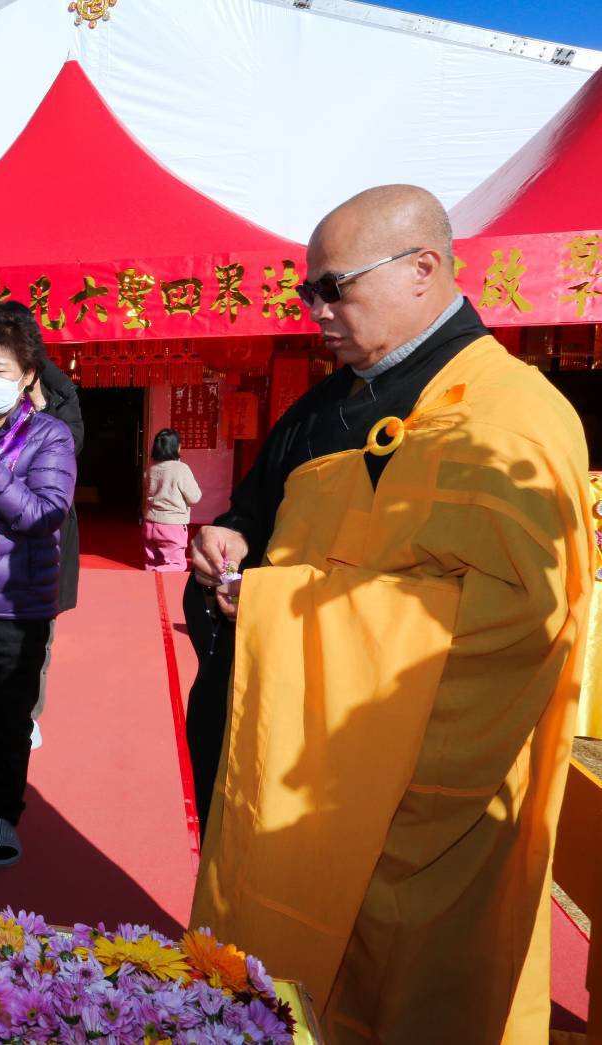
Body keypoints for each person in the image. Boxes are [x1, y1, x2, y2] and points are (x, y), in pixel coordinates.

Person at [188, 185, 594, 1042]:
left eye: (332, 287)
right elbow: (258, 511)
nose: (315, 310)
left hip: (414, 804)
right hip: (293, 758)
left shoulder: (509, 421)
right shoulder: (329, 402)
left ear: (422, 268)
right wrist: (232, 537)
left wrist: (276, 606)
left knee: (398, 998)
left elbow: (514, 626)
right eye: (307, 291)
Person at [0, 309, 76, 868]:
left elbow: (43, 513)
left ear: (28, 375)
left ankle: (2, 814)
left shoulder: (50, 435)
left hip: (15, 605)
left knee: (9, 722)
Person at [0, 303, 84, 750]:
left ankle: (29, 712)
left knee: (35, 636)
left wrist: (41, 404)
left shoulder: (58, 389)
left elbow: (72, 445)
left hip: (39, 534)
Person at [141, 428, 200, 571]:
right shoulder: (181, 469)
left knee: (152, 562)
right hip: (172, 525)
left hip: (150, 522)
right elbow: (194, 497)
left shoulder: (151, 467)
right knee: (176, 565)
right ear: (177, 447)